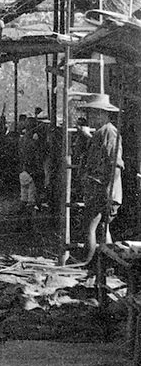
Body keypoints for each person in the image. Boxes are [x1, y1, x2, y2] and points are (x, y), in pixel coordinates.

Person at [81, 93, 124, 264]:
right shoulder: (101, 132)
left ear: (103, 114)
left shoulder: (110, 132)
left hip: (105, 190)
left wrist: (108, 191)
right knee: (101, 229)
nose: (90, 117)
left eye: (93, 113)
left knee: (91, 227)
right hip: (100, 188)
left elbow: (115, 165)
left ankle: (88, 263)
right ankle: (108, 265)